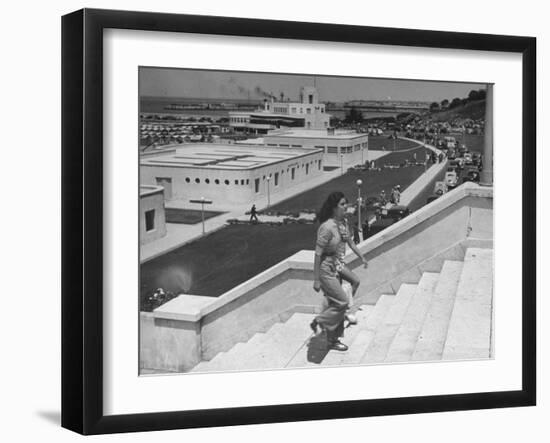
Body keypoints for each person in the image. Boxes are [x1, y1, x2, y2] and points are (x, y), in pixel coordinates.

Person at [311, 192, 368, 351]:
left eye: (346, 204)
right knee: (341, 302)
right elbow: (317, 254)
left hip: (336, 265)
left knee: (339, 302)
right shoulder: (327, 227)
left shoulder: (340, 224)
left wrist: (361, 257)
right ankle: (323, 324)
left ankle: (333, 338)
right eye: (342, 204)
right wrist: (316, 279)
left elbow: (348, 243)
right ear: (334, 207)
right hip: (326, 269)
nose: (346, 207)